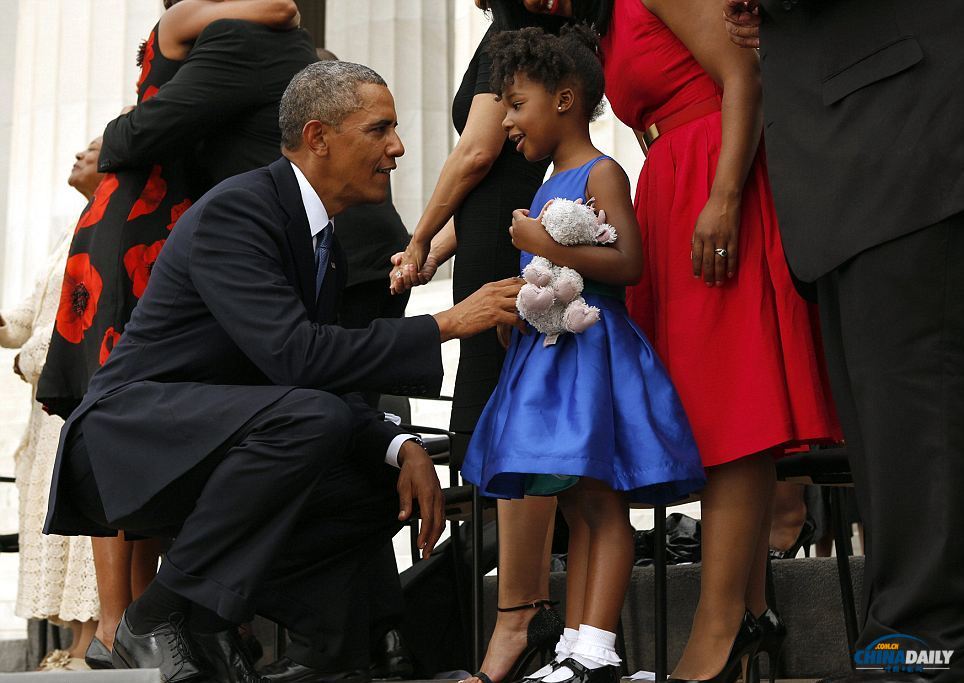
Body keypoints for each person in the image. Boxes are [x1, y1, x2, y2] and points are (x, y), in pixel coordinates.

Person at [43, 60, 525, 683]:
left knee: (371, 481)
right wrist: (445, 324)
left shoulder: (317, 233)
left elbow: (304, 376)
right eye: (380, 130)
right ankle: (156, 617)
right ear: (319, 137)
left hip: (211, 439)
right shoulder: (239, 211)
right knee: (313, 420)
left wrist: (397, 444)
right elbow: (296, 359)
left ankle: (327, 662)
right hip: (131, 444)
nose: (399, 148)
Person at [513, 1, 840, 681]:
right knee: (712, 405)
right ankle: (748, 609)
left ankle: (721, 627)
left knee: (735, 399)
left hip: (717, 172)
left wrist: (724, 194)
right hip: (672, 177)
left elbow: (744, 72)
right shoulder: (599, 22)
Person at [36, 1, 308, 670]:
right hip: (137, 224)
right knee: (117, 423)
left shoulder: (209, 40)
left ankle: (136, 621)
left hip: (162, 220)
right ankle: (112, 622)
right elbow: (285, 7)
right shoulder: (191, 12)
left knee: (149, 434)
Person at [723, 3, 964, 683]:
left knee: (913, 427)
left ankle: (919, 653)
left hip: (898, 139)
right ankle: (912, 649)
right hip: (861, 159)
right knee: (892, 438)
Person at [461, 25, 706, 683]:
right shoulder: (546, 180)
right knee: (575, 504)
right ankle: (575, 644)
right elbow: (549, 268)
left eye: (517, 102)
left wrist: (546, 241)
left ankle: (596, 649)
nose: (507, 119)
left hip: (593, 358)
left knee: (602, 503)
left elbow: (626, 263)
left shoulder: (601, 171)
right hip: (551, 359)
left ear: (565, 98)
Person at [389, 3, 568, 676]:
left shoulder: (518, 35)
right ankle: (525, 614)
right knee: (492, 425)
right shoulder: (516, 34)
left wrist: (415, 237)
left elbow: (479, 153)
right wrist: (434, 248)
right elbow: (486, 183)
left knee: (499, 422)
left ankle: (523, 618)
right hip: (488, 239)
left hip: (500, 251)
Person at [0, 137, 104, 671]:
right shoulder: (74, 226)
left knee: (83, 528)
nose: (77, 155)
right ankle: (77, 645)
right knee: (56, 526)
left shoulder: (103, 226)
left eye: (91, 149)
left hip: (72, 394)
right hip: (48, 409)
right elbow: (26, 318)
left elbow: (78, 323)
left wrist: (26, 362)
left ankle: (89, 648)